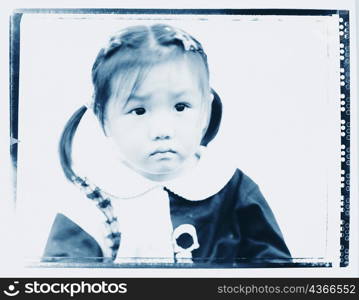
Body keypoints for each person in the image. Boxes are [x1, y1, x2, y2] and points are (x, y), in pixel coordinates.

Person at [42, 24, 291, 265]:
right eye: (138, 111)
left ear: (205, 109)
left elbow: (277, 277)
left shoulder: (231, 188)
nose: (162, 131)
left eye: (181, 107)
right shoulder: (92, 202)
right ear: (102, 117)